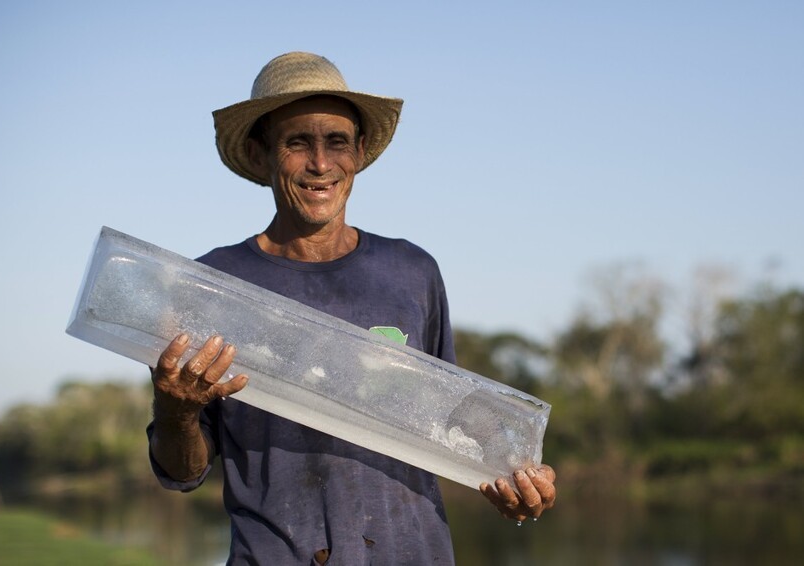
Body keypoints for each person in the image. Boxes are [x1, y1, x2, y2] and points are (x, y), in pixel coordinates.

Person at [147, 52, 556, 565]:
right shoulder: (211, 285)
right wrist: (176, 409)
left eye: (336, 142)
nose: (320, 164)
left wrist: (513, 472)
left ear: (360, 152)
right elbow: (182, 472)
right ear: (259, 155)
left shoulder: (410, 272)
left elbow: (453, 416)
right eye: (297, 143)